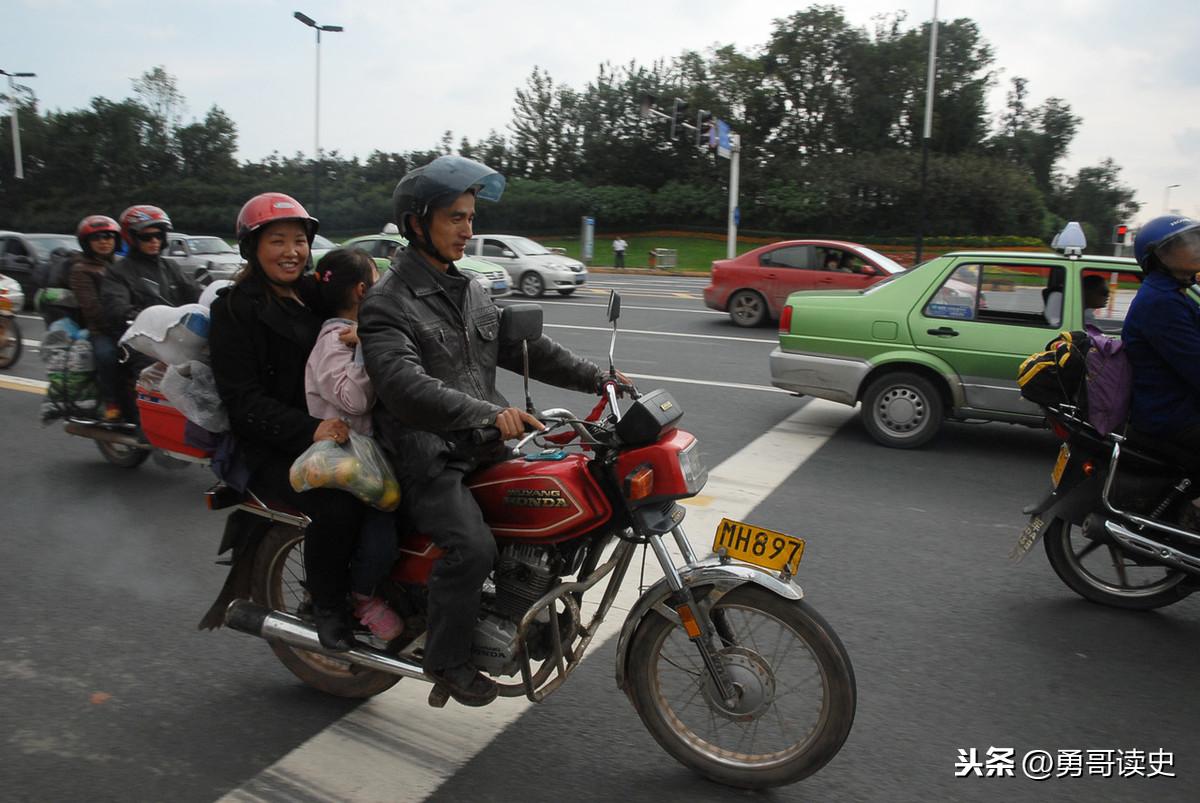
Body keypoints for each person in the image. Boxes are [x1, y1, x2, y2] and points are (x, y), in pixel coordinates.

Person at [359, 155, 616, 706]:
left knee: (559, 500)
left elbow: (529, 349)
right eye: (455, 217)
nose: (468, 230)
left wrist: (601, 379)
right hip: (426, 452)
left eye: (470, 217)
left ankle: (525, 605)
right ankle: (446, 661)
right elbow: (403, 384)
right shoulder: (387, 301)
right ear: (416, 222)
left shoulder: (472, 289)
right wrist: (482, 412)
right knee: (471, 549)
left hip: (484, 444)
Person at [209, 192, 366, 651]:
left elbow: (357, 304)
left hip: (337, 425)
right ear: (252, 249)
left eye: (299, 241)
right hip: (274, 444)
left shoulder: (312, 295)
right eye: (277, 241)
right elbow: (242, 401)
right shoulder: (234, 309)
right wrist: (309, 430)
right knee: (339, 504)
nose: (291, 251)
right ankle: (325, 604)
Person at [304, 247, 403, 643]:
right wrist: (364, 346)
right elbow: (355, 401)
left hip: (368, 451)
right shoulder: (335, 341)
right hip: (345, 461)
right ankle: (362, 598)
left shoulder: (359, 331)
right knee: (383, 527)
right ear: (363, 291)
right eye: (377, 282)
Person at [100, 205, 201, 419]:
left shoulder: (170, 267)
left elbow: (193, 292)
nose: (154, 241)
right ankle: (149, 426)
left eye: (159, 235)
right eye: (147, 237)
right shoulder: (118, 272)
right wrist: (142, 317)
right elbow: (116, 307)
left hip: (176, 337)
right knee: (154, 376)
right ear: (132, 238)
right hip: (141, 340)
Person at [1122, 215, 1200, 452]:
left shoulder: (1172, 293)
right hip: (1172, 416)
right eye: (1185, 242)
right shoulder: (1161, 302)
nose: (1195, 246)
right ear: (1160, 256)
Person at [67, 215, 124, 421]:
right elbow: (91, 307)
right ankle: (111, 402)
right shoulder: (81, 269)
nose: (104, 241)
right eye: (97, 237)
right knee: (107, 355)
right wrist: (116, 323)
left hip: (132, 325)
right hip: (102, 329)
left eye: (108, 236)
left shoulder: (122, 264)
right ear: (86, 243)